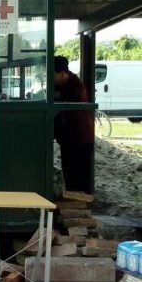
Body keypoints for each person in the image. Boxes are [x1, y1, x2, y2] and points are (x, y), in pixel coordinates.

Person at [52, 56, 94, 194]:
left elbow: (64, 103)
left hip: (81, 139)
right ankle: (72, 200)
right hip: (68, 139)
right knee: (69, 173)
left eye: (53, 75)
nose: (51, 79)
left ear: (62, 73)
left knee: (80, 176)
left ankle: (82, 205)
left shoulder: (75, 86)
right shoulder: (59, 86)